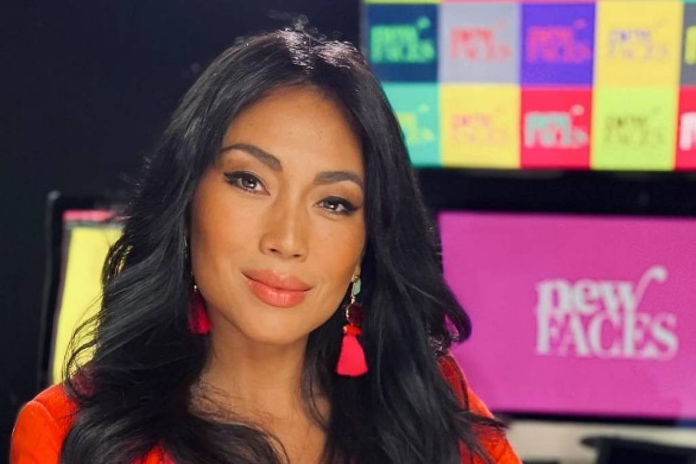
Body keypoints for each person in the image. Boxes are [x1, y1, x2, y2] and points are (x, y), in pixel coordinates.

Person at [11, 28, 521, 464]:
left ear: (368, 243)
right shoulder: (69, 434)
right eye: (249, 181)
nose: (287, 240)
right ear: (186, 199)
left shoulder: (428, 412)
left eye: (334, 203)